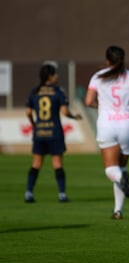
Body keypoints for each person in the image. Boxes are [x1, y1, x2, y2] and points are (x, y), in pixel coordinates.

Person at [85, 45, 129, 219]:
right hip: (127, 123)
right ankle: (118, 210)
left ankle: (121, 179)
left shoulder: (98, 77)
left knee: (111, 169)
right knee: (121, 167)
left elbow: (88, 101)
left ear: (107, 60)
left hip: (107, 124)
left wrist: (102, 107)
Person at [25, 63, 82, 203]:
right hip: (54, 132)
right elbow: (64, 111)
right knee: (57, 163)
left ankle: (28, 193)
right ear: (50, 76)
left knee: (36, 164)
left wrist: (34, 124)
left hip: (40, 132)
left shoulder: (35, 91)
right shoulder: (58, 91)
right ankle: (62, 194)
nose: (57, 76)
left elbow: (28, 112)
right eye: (55, 74)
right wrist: (74, 117)